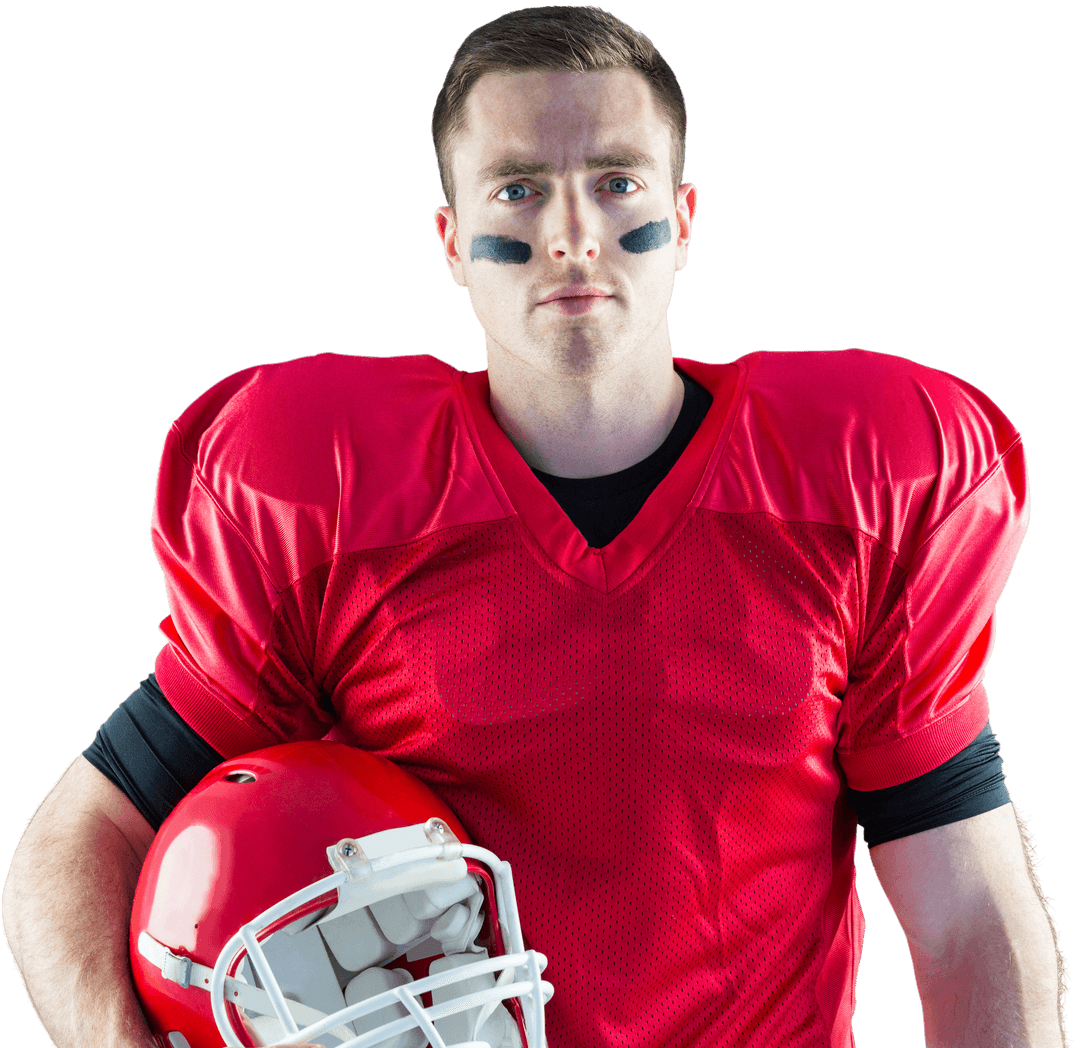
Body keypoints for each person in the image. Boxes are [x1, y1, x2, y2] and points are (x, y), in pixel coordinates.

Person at [2, 6, 1067, 1048]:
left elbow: (965, 910)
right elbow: (77, 842)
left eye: (616, 182)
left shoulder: (862, 485)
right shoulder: (324, 496)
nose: (571, 237)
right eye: (520, 188)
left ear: (684, 221)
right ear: (455, 242)